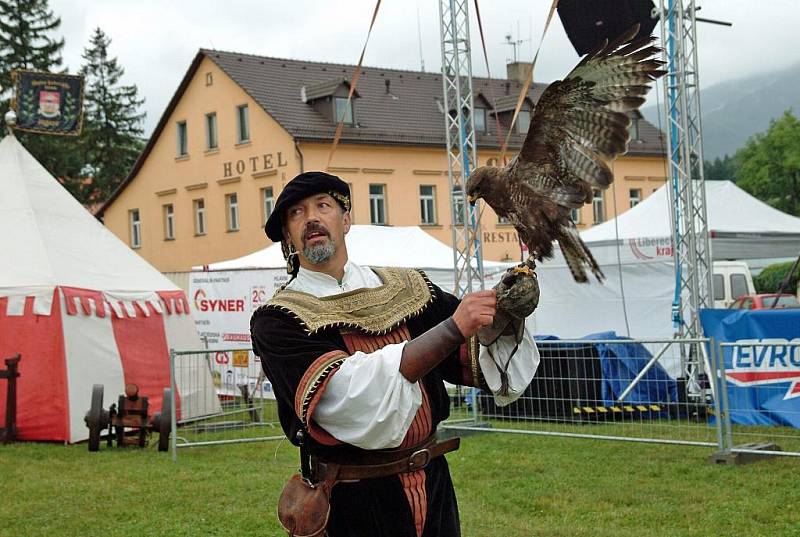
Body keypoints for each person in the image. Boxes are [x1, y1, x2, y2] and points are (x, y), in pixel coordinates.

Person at [250, 171, 539, 537]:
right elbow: (348, 395)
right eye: (296, 214)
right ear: (288, 238)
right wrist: (452, 327)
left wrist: (505, 310)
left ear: (346, 219)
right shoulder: (280, 319)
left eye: (323, 206)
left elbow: (472, 353)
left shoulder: (408, 287)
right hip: (354, 497)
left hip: (433, 482)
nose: (311, 219)